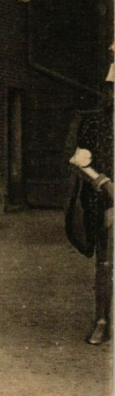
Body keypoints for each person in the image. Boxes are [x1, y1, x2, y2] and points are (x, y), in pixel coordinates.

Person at [68, 63, 114, 344]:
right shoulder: (96, 124)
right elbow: (79, 162)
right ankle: (102, 320)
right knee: (107, 263)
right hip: (109, 201)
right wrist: (105, 183)